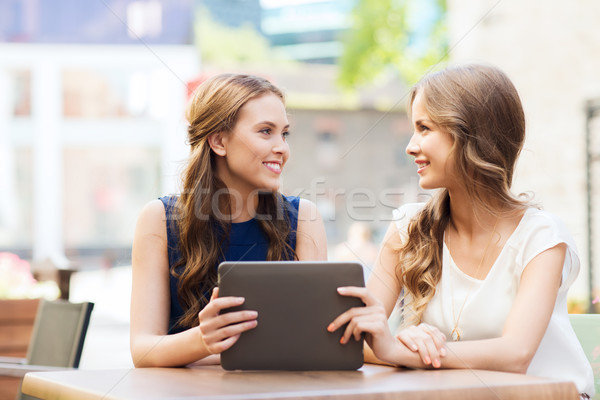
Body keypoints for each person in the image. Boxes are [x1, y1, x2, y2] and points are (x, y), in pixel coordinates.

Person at [328, 64, 594, 397]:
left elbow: (515, 355)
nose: (410, 146)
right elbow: (353, 340)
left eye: (424, 128)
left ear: (471, 135)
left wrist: (400, 351)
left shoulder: (541, 237)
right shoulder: (407, 229)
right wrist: (392, 343)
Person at [130, 74, 327, 367]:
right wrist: (202, 340)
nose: (282, 148)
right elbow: (142, 350)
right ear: (219, 141)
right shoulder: (159, 219)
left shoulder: (304, 219)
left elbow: (318, 340)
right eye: (265, 131)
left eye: (284, 134)